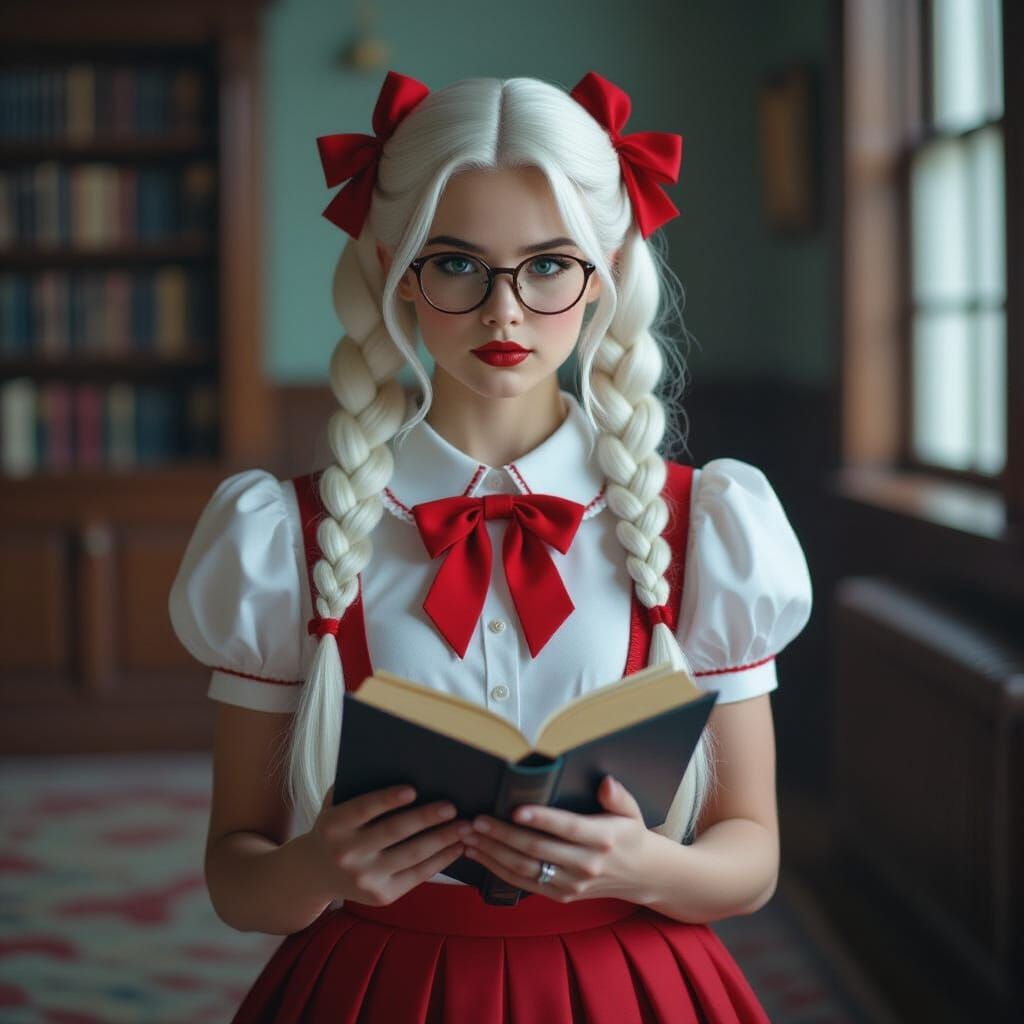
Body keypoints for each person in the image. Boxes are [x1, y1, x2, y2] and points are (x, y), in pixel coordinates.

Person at [169, 68, 813, 1023]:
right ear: (394, 266)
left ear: (604, 274)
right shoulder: (286, 538)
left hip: (627, 986)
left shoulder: (706, 526)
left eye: (549, 264)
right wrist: (315, 868)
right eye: (457, 263)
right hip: (378, 987)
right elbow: (235, 876)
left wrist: (650, 868)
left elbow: (751, 856)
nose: (504, 312)